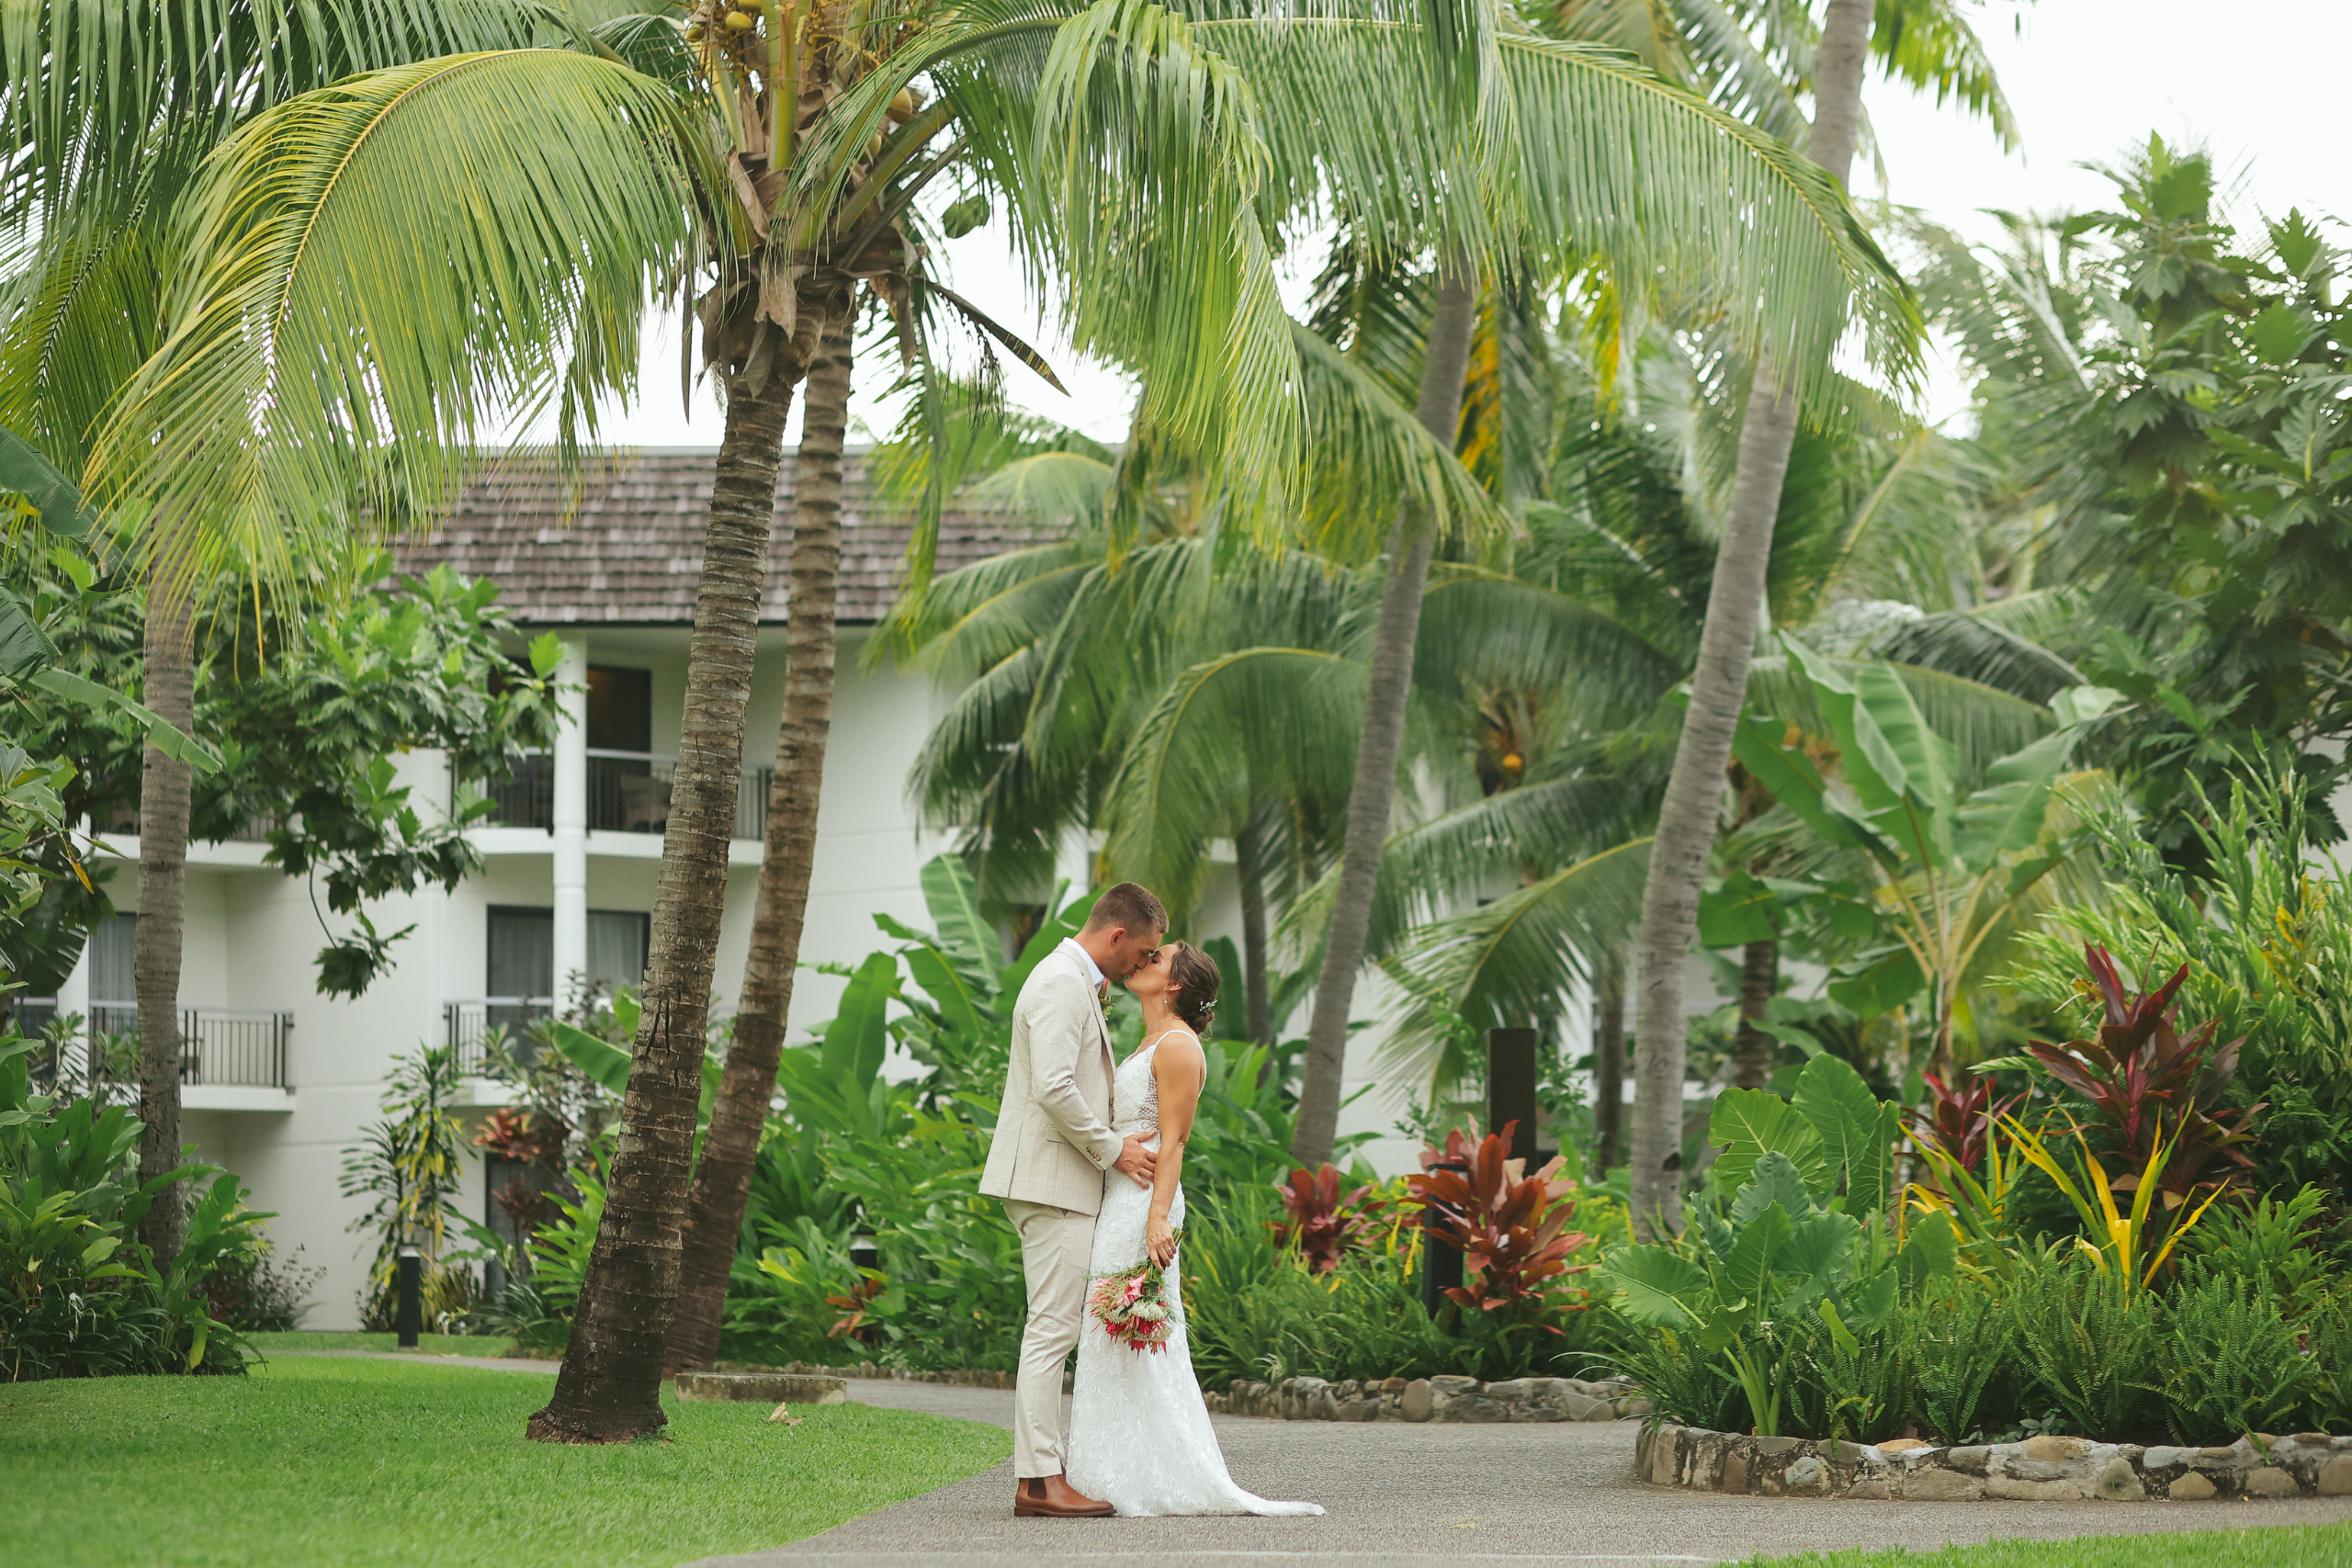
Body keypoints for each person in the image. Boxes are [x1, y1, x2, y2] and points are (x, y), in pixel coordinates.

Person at [1064, 941, 1323, 1517]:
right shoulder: (1150, 1040)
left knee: (1134, 1328)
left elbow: (1176, 1140)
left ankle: (1144, 1474)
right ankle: (1110, 1470)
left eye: (1155, 957)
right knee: (1111, 1332)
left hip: (1144, 1205)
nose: (1141, 959)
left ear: (1175, 982)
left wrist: (1156, 1217)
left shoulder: (1179, 1046)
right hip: (1121, 1197)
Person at [978, 882, 1167, 1519]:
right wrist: (1115, 1149)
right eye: (1142, 952)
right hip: (1051, 1180)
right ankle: (1038, 1480)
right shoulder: (1061, 982)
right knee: (1052, 1329)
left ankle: (1042, 1474)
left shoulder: (1076, 980)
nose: (1143, 965)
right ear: (1116, 936)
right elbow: (1055, 1087)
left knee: (1053, 1326)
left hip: (1056, 1178)